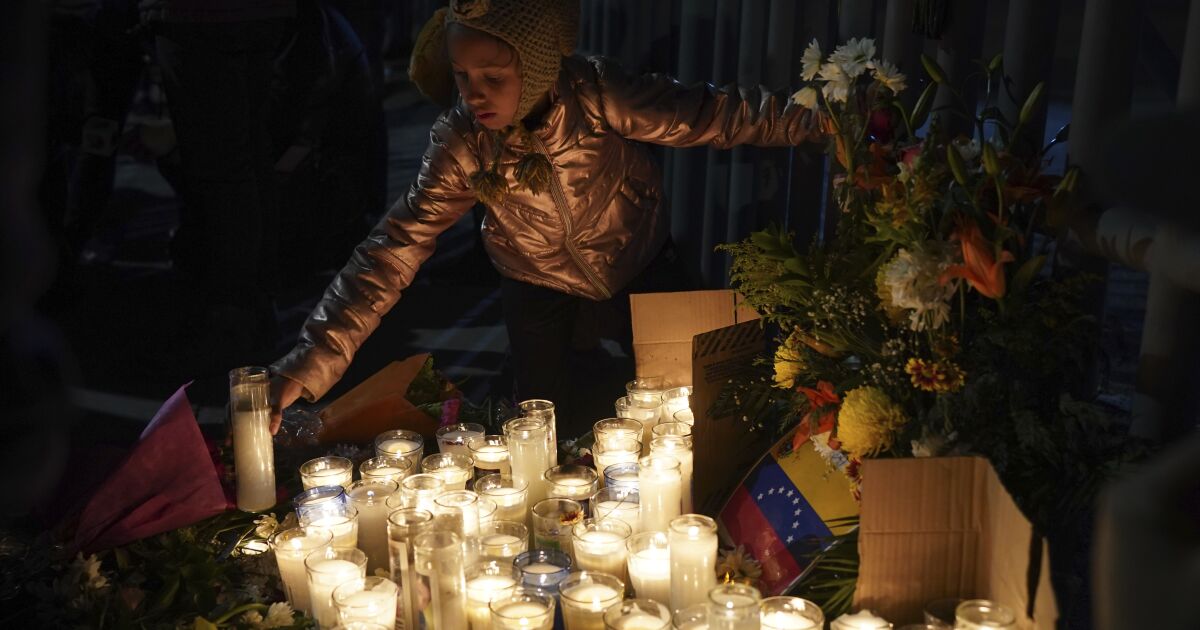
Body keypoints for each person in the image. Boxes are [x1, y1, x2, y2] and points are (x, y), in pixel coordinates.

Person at [269, 0, 828, 434]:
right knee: (543, 422)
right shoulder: (464, 144)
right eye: (462, 76)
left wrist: (819, 121)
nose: (474, 95)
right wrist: (307, 363)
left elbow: (711, 115)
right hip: (534, 281)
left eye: (493, 77)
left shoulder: (595, 94)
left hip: (637, 260)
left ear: (534, 68)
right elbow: (392, 250)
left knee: (700, 398)